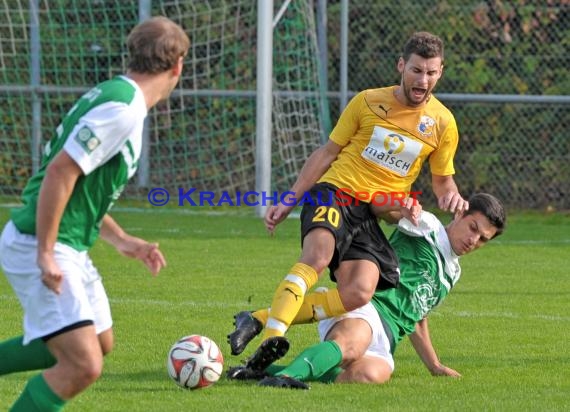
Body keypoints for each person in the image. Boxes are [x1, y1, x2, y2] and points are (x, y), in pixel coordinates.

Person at [228, 31, 469, 371]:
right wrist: (289, 199)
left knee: (359, 292)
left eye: (431, 73)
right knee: (317, 256)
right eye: (416, 70)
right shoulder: (368, 101)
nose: (423, 80)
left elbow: (443, 183)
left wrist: (452, 196)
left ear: (440, 71)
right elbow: (328, 152)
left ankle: (254, 319)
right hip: (336, 192)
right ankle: (272, 337)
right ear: (402, 66)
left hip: (372, 215)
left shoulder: (443, 123)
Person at [0, 17, 189, 410]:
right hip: (41, 240)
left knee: (100, 342)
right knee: (83, 364)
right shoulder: (122, 108)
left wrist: (123, 241)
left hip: (66, 242)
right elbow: (60, 172)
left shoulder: (117, 95)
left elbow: (80, 186)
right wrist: (46, 253)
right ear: (178, 65)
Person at [234, 193, 507, 389]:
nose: (474, 240)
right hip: (363, 306)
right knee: (353, 344)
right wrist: (403, 206)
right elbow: (383, 211)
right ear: (460, 213)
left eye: (483, 239)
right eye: (473, 228)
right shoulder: (427, 226)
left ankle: (262, 370)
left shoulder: (453, 272)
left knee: (371, 374)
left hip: (387, 337)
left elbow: (417, 316)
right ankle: (282, 379)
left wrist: (434, 366)